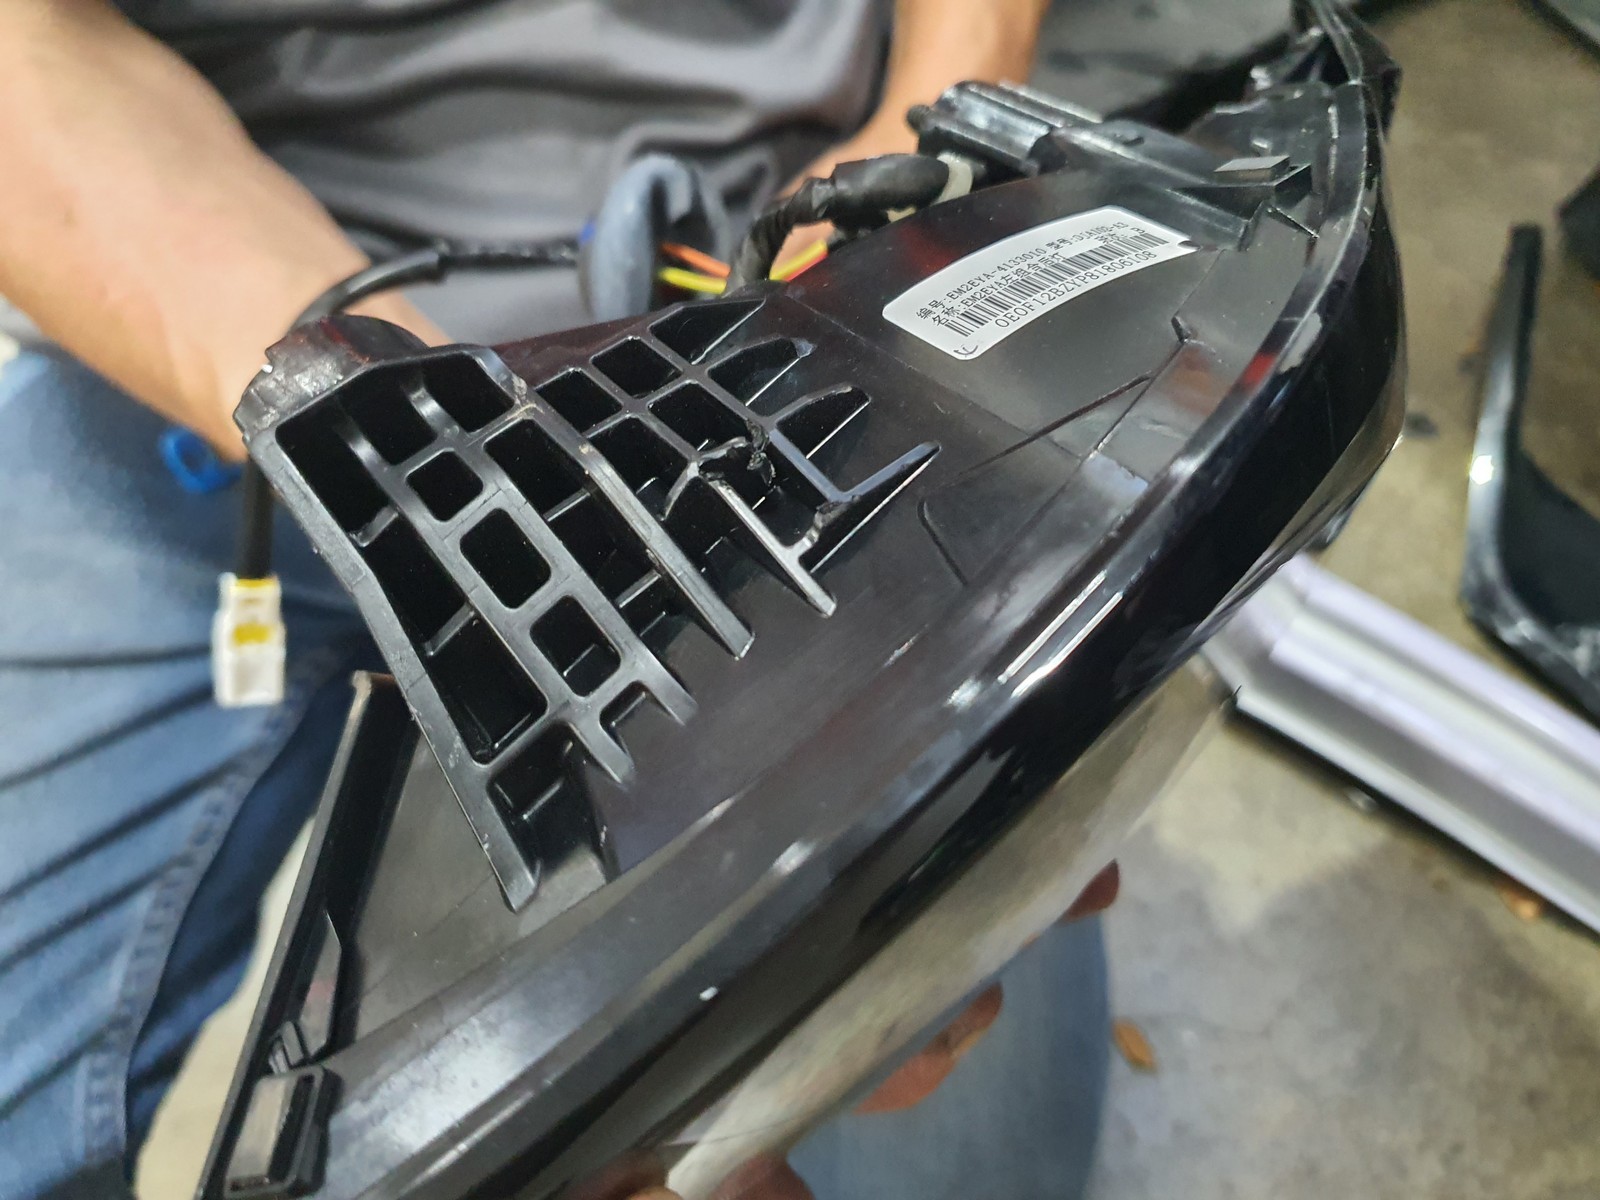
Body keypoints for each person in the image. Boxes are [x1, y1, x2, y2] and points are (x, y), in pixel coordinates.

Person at [0, 2, 1113, 1197]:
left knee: (948, 1129)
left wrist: (942, 95)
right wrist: (426, 449)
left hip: (781, 325)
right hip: (192, 312)